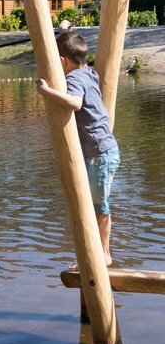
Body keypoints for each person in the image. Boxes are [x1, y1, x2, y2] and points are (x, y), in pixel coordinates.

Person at [35, 24, 120, 268]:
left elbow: (74, 102)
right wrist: (63, 33)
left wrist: (47, 91)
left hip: (99, 154)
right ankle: (95, 255)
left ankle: (103, 254)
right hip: (102, 150)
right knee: (93, 205)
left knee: (98, 206)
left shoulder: (74, 78)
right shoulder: (89, 73)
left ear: (61, 61)